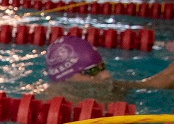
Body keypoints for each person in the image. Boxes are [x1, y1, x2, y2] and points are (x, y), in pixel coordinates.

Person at [43, 35, 174, 103]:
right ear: (66, 76)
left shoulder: (106, 88)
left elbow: (147, 85)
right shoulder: (55, 106)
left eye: (102, 67)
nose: (105, 75)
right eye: (92, 71)